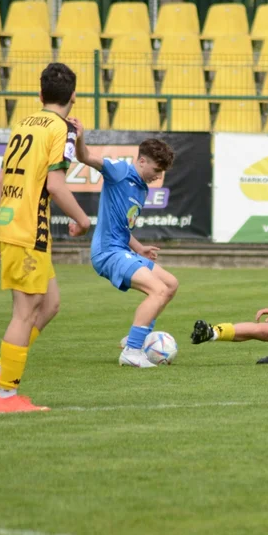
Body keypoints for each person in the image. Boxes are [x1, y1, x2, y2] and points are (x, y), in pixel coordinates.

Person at [0, 63, 93, 412]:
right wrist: (83, 220)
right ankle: (7, 397)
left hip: (15, 224)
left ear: (40, 95)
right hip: (30, 229)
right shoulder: (61, 129)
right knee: (25, 312)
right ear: (74, 96)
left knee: (51, 304)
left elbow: (0, 180)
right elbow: (55, 185)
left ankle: (2, 371)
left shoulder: (24, 123)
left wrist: (0, 230)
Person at [71, 122, 178, 368]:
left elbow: (122, 226)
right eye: (157, 169)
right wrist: (80, 138)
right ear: (141, 161)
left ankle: (134, 339)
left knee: (171, 285)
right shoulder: (119, 171)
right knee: (158, 291)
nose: (158, 176)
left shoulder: (141, 189)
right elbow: (85, 157)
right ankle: (132, 351)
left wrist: (139, 248)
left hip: (121, 249)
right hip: (108, 253)